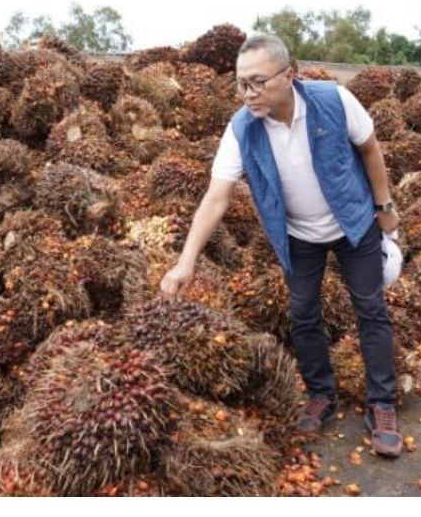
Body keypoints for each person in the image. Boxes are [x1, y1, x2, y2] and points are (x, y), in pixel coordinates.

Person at [159, 33, 403, 457]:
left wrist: (383, 205)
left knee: (370, 308)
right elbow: (216, 198)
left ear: (288, 76)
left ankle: (382, 403)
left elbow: (369, 148)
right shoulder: (241, 130)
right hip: (298, 235)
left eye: (257, 82)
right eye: (240, 84)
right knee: (303, 313)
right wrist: (186, 263)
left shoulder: (334, 100)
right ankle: (321, 394)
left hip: (354, 222)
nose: (248, 94)